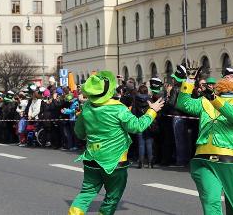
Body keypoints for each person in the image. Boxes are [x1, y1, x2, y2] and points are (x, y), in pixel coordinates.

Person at [68, 71, 164, 215]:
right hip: (115, 161)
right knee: (112, 196)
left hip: (91, 159)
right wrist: (152, 111)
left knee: (86, 193)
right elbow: (137, 126)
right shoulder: (118, 108)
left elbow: (80, 133)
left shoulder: (86, 107)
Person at [176, 67, 233, 215]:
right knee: (210, 204)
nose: (229, 77)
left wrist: (214, 99)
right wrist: (189, 80)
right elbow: (184, 104)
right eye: (228, 76)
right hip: (204, 160)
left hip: (232, 160)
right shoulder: (206, 100)